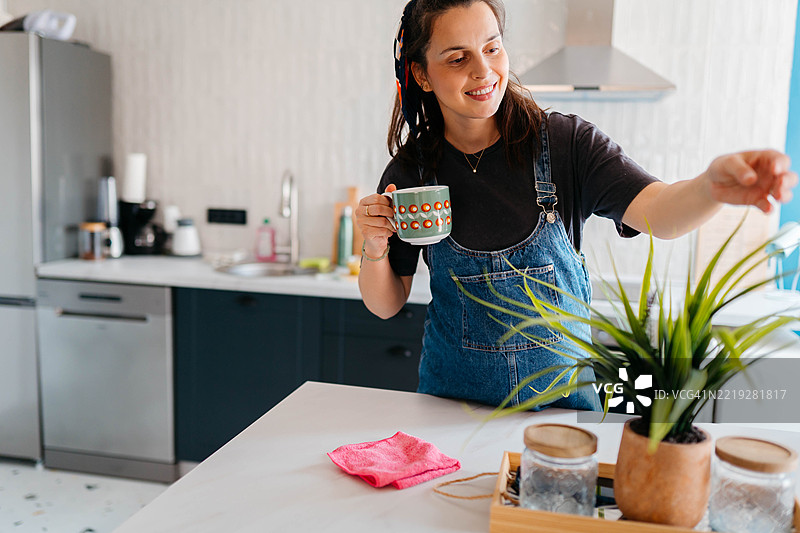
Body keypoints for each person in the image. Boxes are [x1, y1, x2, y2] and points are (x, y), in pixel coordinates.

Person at [356, 0, 798, 410]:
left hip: (563, 420)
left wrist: (710, 188)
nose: (483, 70)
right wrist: (374, 247)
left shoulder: (565, 144)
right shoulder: (411, 174)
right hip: (451, 413)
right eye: (458, 58)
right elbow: (386, 303)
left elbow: (660, 212)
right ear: (421, 74)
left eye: (492, 48)